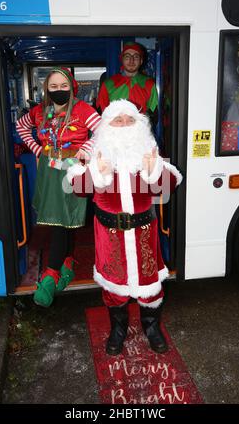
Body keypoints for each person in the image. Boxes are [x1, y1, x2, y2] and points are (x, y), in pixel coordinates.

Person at [67, 99, 182, 355]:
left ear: (139, 124)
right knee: (114, 287)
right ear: (107, 125)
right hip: (109, 235)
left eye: (130, 120)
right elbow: (78, 189)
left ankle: (151, 328)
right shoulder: (95, 153)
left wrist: (155, 170)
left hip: (144, 232)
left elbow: (168, 186)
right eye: (117, 120)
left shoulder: (148, 149)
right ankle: (118, 329)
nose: (124, 125)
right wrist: (96, 172)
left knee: (150, 285)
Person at [16, 67, 101, 307]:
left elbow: (104, 130)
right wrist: (36, 149)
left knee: (63, 221)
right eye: (53, 87)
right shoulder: (39, 112)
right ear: (46, 89)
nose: (59, 91)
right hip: (49, 170)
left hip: (74, 169)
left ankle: (51, 273)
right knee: (59, 221)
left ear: (72, 87)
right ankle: (66, 263)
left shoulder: (85, 110)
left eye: (63, 86)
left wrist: (86, 149)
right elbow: (21, 127)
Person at [96, 42, 158, 123]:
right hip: (115, 132)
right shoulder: (109, 84)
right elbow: (101, 114)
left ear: (141, 61)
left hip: (140, 132)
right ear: (122, 59)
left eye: (136, 57)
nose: (131, 60)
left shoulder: (149, 84)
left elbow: (154, 115)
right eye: (127, 56)